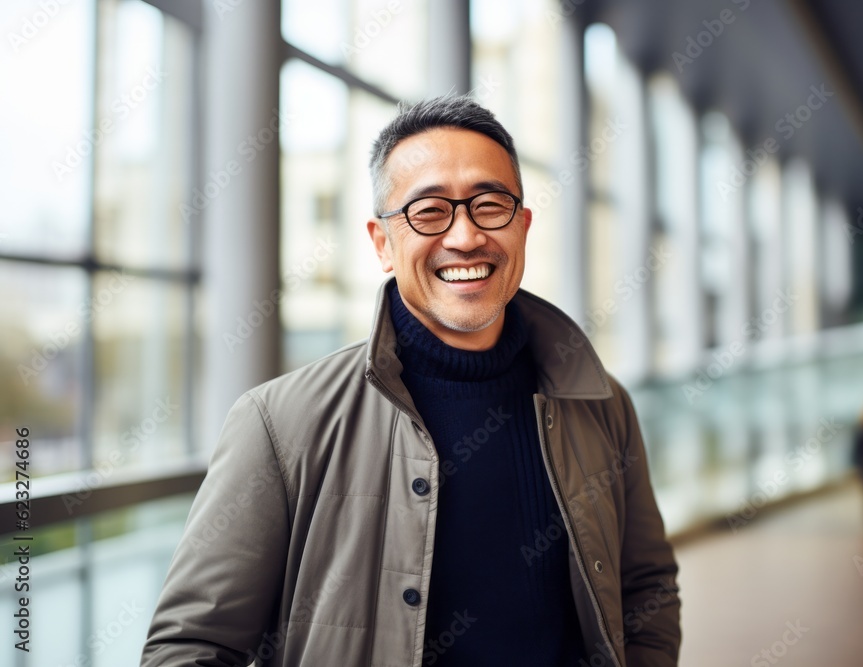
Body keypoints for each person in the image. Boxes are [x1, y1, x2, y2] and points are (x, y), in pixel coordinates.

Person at [142, 96, 681, 666]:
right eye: (428, 211)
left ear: (522, 226)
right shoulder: (281, 423)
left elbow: (646, 586)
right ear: (382, 244)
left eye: (490, 204)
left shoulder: (598, 402)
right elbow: (191, 647)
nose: (466, 236)